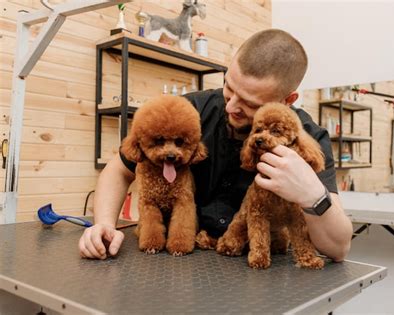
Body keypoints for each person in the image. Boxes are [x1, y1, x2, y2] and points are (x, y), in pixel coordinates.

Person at [78, 29, 353, 262]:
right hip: (187, 260)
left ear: (287, 99)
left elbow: (339, 248)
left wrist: (313, 195)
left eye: (250, 103)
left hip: (261, 266)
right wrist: (103, 223)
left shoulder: (307, 138)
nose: (232, 105)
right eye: (229, 86)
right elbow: (118, 169)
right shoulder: (189, 111)